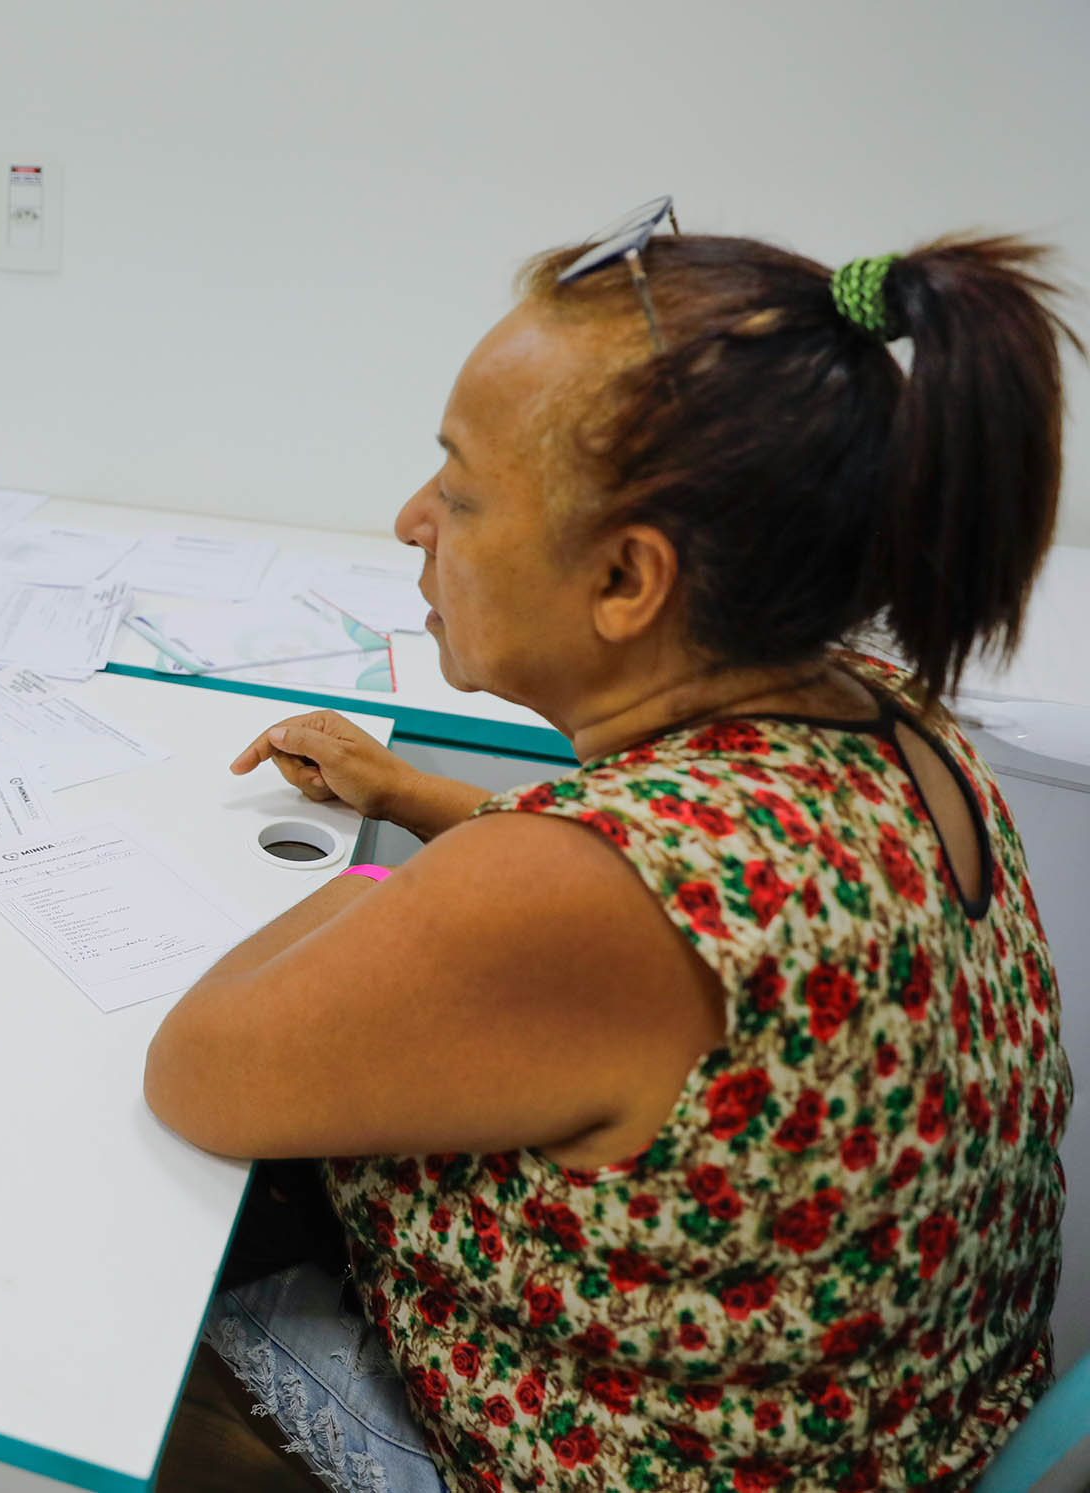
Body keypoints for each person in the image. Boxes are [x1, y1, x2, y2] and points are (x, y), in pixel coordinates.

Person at [145, 215, 1076, 1492]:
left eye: (460, 489)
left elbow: (197, 1069)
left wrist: (386, 877)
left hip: (561, 1450)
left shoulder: (577, 887)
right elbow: (667, 920)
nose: (413, 516)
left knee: (111, 1332)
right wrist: (415, 798)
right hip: (887, 1429)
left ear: (628, 579)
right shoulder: (886, 713)